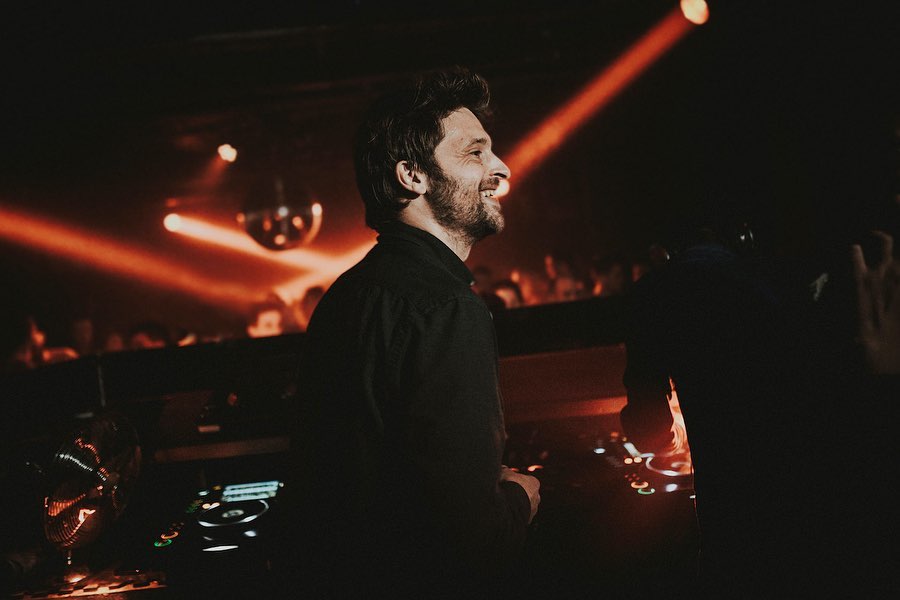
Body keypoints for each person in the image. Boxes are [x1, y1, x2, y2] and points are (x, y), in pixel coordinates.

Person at [291, 68, 540, 598]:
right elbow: (473, 542)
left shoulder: (345, 295)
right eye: (475, 153)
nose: (500, 167)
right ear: (413, 176)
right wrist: (521, 497)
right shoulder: (445, 307)